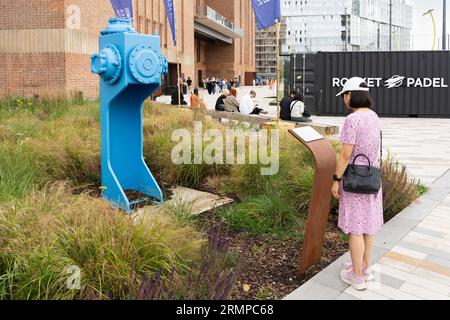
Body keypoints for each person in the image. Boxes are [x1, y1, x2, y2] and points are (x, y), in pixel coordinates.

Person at [332, 77, 383, 291]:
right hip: (372, 178)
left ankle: (357, 277)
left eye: (345, 94)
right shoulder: (374, 116)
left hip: (355, 181)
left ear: (351, 94)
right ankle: (364, 266)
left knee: (355, 228)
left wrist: (336, 180)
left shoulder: (352, 120)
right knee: (368, 227)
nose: (344, 99)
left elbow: (345, 154)